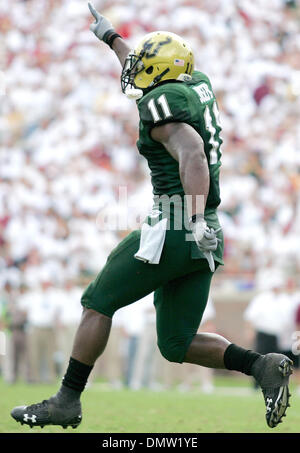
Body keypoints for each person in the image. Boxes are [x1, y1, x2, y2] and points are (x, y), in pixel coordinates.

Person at [11, 3, 293, 430]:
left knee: (96, 303)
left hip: (178, 224)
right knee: (176, 344)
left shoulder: (162, 109)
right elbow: (145, 69)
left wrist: (192, 220)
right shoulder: (193, 82)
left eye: (145, 71)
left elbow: (192, 155)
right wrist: (111, 37)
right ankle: (262, 366)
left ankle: (68, 399)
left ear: (160, 77)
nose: (135, 74)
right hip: (208, 229)